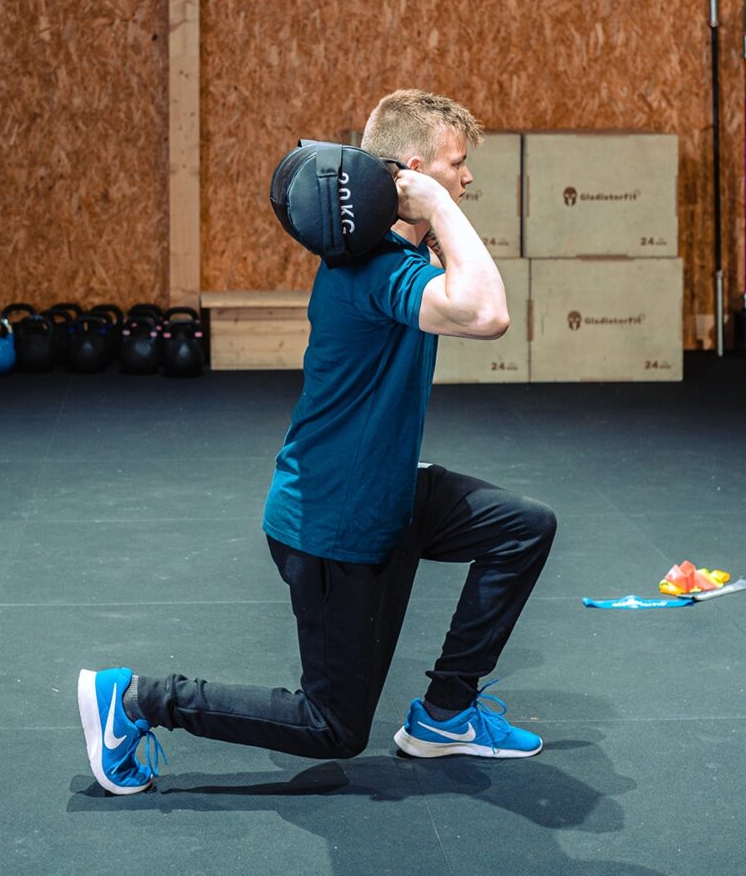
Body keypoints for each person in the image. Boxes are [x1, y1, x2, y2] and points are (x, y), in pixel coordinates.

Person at [77, 89, 557, 794]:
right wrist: (437, 204)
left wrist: (430, 208)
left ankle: (448, 713)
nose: (469, 179)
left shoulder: (395, 263)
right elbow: (488, 313)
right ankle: (136, 700)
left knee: (523, 528)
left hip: (387, 487)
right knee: (332, 728)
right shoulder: (373, 272)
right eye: (458, 166)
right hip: (333, 523)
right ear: (417, 171)